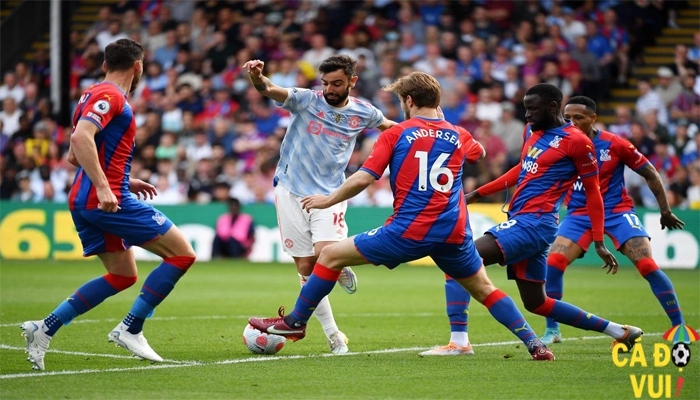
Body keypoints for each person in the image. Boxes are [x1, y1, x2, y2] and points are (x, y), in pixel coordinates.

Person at [248, 72, 555, 361]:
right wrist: (443, 128)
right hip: (454, 232)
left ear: (408, 101)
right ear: (436, 101)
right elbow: (480, 154)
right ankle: (534, 344)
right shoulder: (458, 134)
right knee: (484, 289)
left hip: (408, 230)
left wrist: (328, 199)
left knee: (328, 256)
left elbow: (364, 178)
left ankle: (295, 322)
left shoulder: (396, 133)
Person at [421, 84, 643, 356]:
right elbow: (522, 168)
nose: (526, 114)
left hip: (534, 223)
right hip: (527, 223)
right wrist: (478, 193)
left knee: (458, 258)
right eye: (525, 108)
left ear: (552, 108)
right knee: (537, 303)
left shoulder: (577, 141)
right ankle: (620, 331)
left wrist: (598, 240)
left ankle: (460, 342)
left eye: (532, 109)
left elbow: (594, 192)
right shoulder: (533, 131)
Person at [21, 39, 196, 370]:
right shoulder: (110, 96)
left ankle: (43, 329)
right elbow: (79, 141)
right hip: (104, 199)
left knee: (122, 275)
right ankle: (131, 328)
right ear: (138, 66)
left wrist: (124, 181)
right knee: (182, 254)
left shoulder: (90, 94)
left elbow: (76, 155)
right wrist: (106, 187)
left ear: (105, 64)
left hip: (89, 196)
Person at [242, 55, 396, 354]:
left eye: (337, 83)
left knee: (325, 254)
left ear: (352, 81)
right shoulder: (306, 100)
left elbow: (392, 128)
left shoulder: (364, 112)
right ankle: (334, 335)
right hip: (290, 191)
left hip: (330, 194)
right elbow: (270, 89)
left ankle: (338, 266)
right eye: (325, 83)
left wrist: (424, 133)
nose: (329, 89)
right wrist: (257, 78)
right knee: (306, 267)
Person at [540, 96, 685, 344]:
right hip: (579, 214)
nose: (572, 123)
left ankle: (679, 327)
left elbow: (650, 173)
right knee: (553, 263)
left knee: (647, 265)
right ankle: (552, 331)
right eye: (568, 118)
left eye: (579, 118)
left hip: (617, 212)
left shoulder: (615, 144)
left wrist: (665, 210)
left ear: (593, 118)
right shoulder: (558, 143)